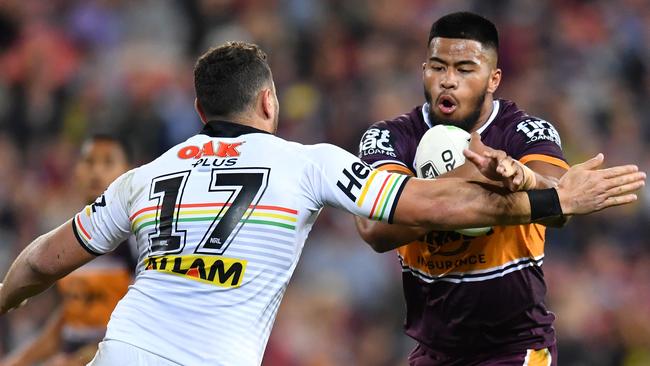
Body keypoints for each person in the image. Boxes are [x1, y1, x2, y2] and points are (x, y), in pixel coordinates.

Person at [0, 41, 644, 366]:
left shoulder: (142, 178)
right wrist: (554, 199)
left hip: (122, 352)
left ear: (200, 112)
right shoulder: (309, 162)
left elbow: (41, 261)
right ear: (268, 104)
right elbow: (421, 208)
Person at [354, 11, 615, 365]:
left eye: (464, 69)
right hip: (434, 351)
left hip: (515, 346)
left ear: (493, 79)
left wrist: (526, 179)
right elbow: (376, 228)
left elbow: (557, 206)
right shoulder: (389, 137)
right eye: (437, 67)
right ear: (423, 71)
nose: (448, 81)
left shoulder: (526, 132)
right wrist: (479, 175)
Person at [1, 135, 136, 366]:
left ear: (129, 173)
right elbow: (69, 320)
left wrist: (82, 358)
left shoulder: (135, 239)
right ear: (76, 172)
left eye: (107, 162)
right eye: (89, 162)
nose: (96, 172)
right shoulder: (73, 236)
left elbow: (143, 322)